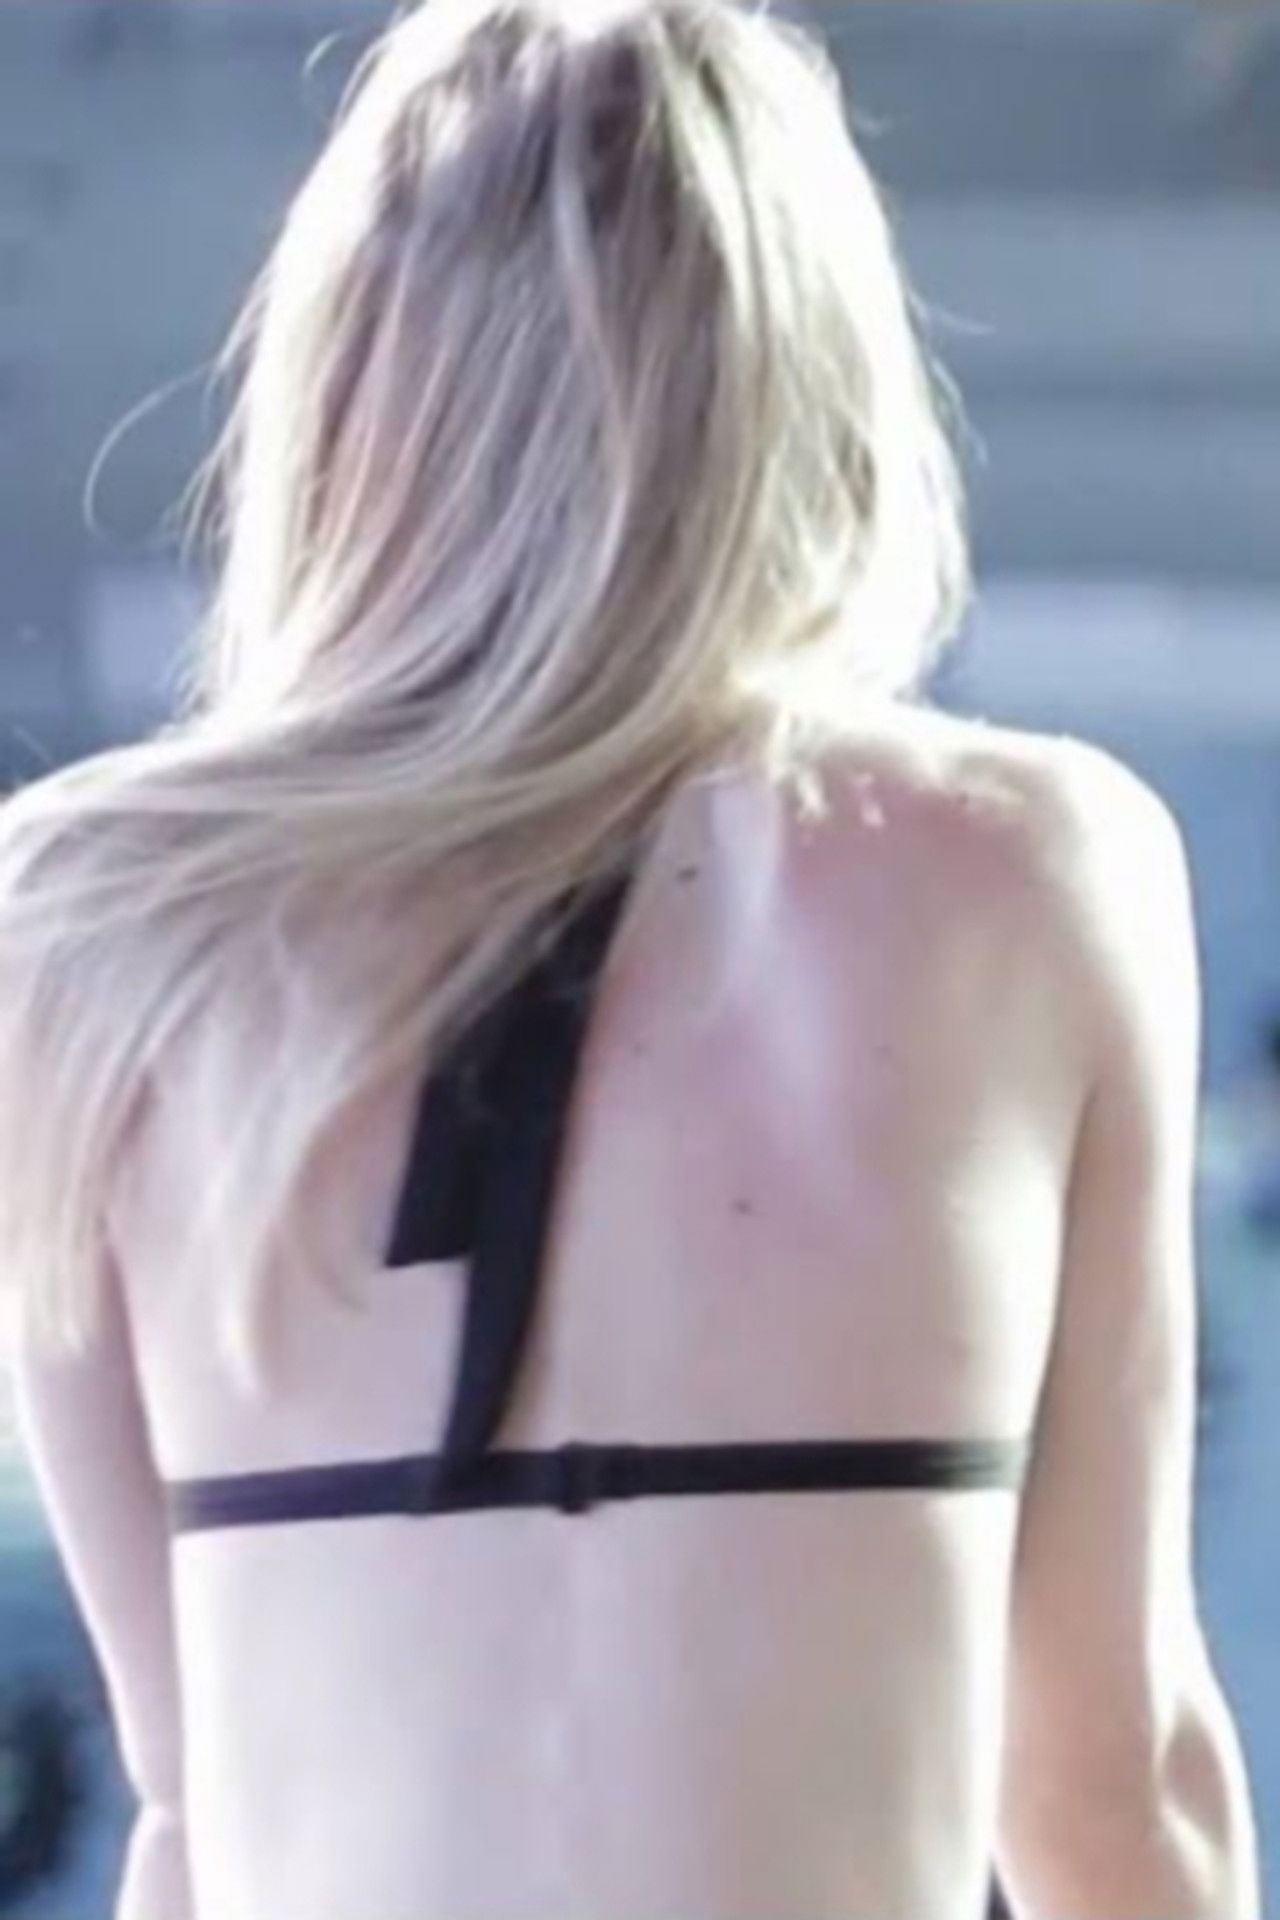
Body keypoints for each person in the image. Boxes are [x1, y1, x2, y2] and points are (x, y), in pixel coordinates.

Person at [0, 1, 1259, 1916]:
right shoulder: (1032, 878)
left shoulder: (93, 925)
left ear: (347, 386)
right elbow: (1109, 1783)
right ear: (809, 375)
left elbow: (192, 1811)